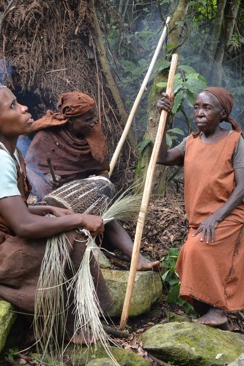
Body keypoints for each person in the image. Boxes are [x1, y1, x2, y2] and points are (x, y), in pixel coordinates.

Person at [0, 82, 110, 343]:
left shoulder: (8, 153)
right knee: (71, 239)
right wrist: (80, 218)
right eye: (13, 106)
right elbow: (22, 227)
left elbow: (3, 210)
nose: (24, 108)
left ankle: (76, 318)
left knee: (64, 233)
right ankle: (65, 325)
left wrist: (47, 208)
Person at [24, 91, 159, 271]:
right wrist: (43, 183)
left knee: (107, 219)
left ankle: (137, 258)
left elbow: (102, 172)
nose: (93, 123)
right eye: (87, 120)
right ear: (71, 121)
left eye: (93, 118)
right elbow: (28, 169)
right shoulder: (47, 137)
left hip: (81, 198)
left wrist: (96, 185)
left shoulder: (93, 137)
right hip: (50, 201)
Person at [155, 87, 244, 327]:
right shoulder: (191, 142)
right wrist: (165, 120)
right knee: (187, 261)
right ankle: (210, 316)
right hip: (199, 218)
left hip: (228, 215)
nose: (199, 112)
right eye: (197, 107)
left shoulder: (234, 141)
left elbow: (242, 187)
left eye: (207, 108)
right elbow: (162, 157)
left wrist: (216, 218)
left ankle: (218, 311)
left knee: (196, 251)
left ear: (222, 113)